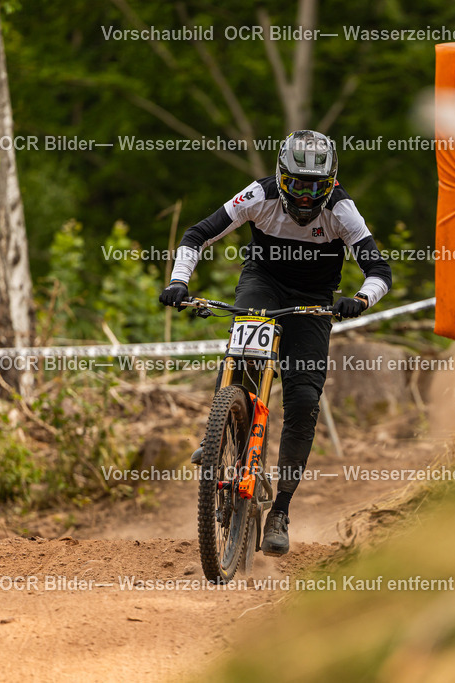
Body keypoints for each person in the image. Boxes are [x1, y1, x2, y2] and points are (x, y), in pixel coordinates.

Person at [160, 130, 392, 556]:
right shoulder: (258, 195)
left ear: (331, 183)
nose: (306, 198)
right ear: (282, 178)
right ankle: (220, 434)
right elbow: (197, 235)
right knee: (243, 350)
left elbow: (379, 271)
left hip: (313, 302)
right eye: (298, 186)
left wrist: (359, 300)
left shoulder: (342, 210)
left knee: (303, 400)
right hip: (263, 283)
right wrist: (178, 282)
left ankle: (280, 510)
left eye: (316, 187)